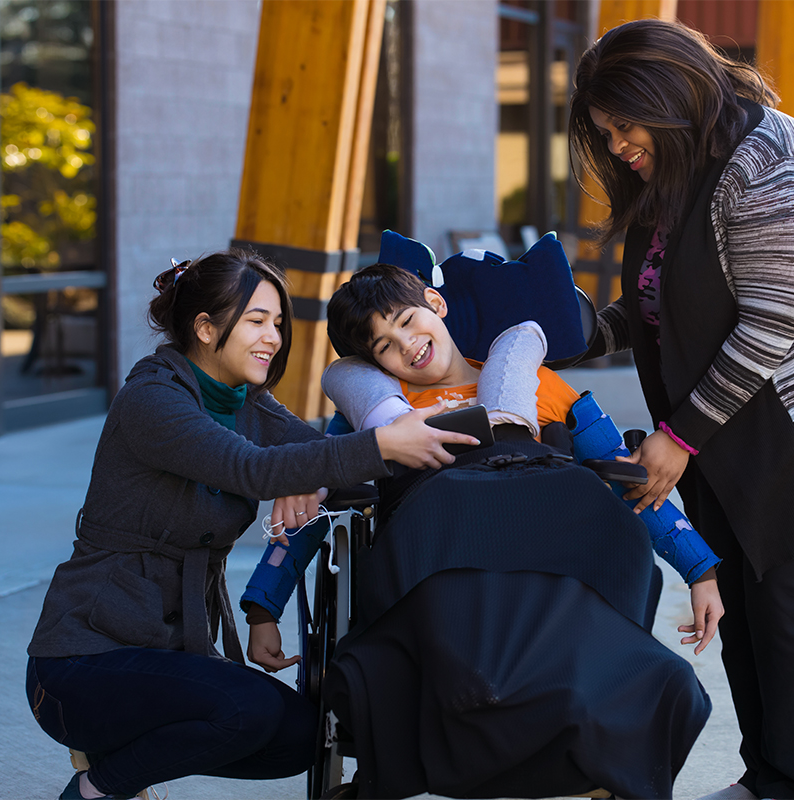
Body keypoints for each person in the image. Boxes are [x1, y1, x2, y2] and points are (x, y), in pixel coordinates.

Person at [567, 19, 794, 800]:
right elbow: (672, 297)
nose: (618, 146)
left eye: (626, 125)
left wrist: (678, 438)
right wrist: (586, 331)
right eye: (605, 133)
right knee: (745, 599)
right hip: (746, 418)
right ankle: (767, 774)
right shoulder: (680, 170)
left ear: (670, 97)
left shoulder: (771, 165)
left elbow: (771, 320)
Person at [24, 249, 477, 800]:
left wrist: (310, 478)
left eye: (279, 323)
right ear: (206, 327)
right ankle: (99, 789)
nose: (273, 338)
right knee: (250, 708)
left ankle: (117, 763)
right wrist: (378, 443)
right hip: (82, 662)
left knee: (300, 737)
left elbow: (325, 461)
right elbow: (251, 467)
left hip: (167, 658)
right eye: (257, 321)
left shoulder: (248, 404)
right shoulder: (153, 398)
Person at [318, 261, 724, 652]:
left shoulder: (537, 385)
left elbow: (625, 472)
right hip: (442, 561)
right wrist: (262, 606)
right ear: (373, 364)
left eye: (407, 321)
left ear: (436, 304)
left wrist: (700, 571)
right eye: (385, 346)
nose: (407, 345)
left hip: (549, 553)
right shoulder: (383, 412)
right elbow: (309, 492)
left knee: (621, 545)